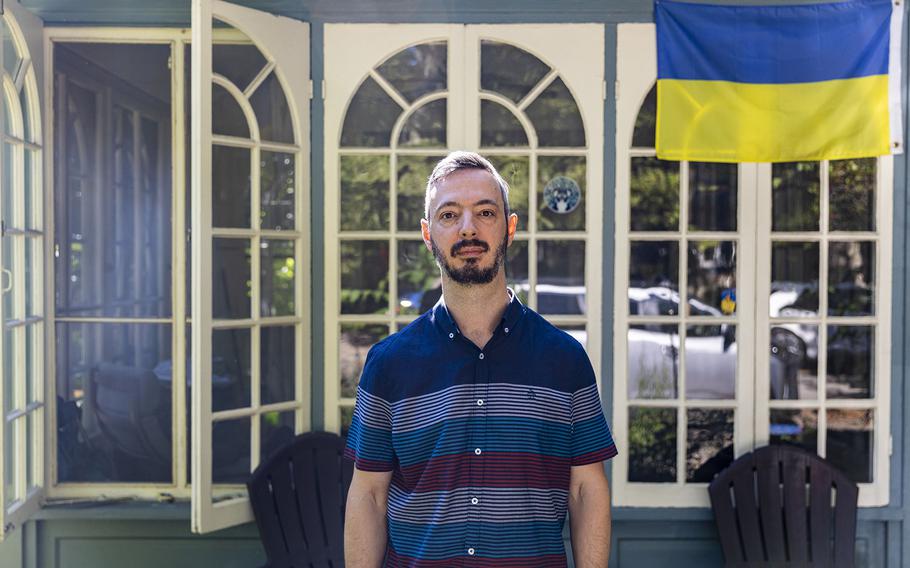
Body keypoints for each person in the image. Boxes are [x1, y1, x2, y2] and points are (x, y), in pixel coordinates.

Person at [344, 151, 617, 567]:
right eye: (449, 215)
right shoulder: (389, 364)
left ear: (510, 227)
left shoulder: (564, 360)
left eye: (484, 212)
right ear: (427, 233)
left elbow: (586, 491)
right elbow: (369, 495)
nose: (467, 228)